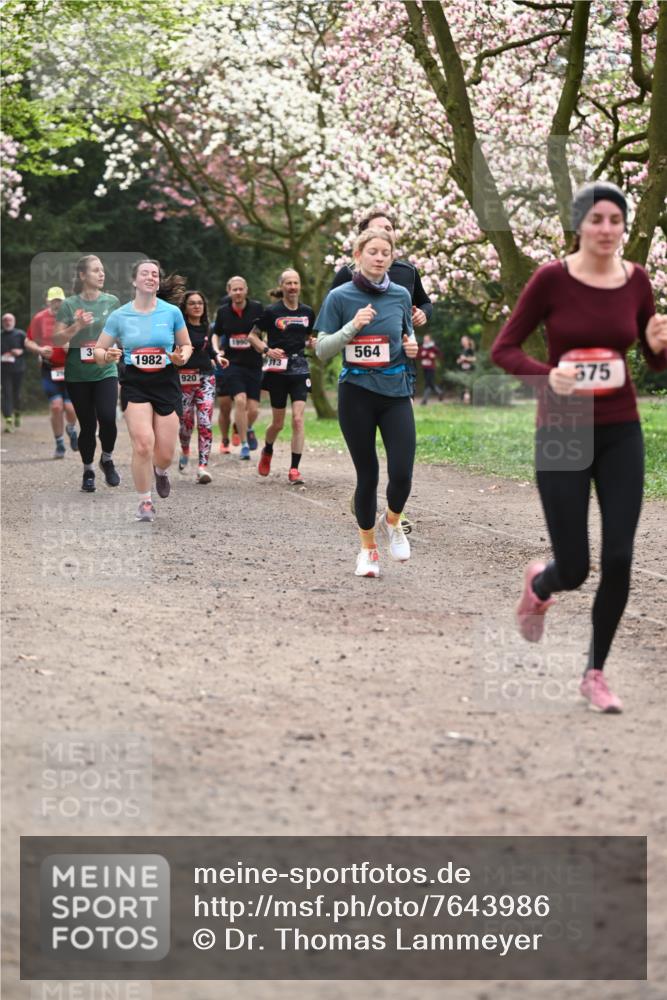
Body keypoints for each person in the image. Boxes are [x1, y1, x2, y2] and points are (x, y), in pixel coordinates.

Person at [491, 180, 667, 714]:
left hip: (620, 429)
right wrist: (549, 377)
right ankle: (541, 585)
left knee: (619, 557)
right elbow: (505, 349)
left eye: (616, 220)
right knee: (576, 566)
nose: (607, 230)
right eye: (597, 220)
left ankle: (594, 673)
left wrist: (659, 350)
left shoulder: (637, 280)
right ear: (579, 225)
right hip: (564, 428)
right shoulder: (551, 279)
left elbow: (654, 357)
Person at [315, 227, 419, 577]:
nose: (379, 257)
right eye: (372, 251)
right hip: (356, 394)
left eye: (385, 253)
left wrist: (411, 346)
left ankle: (392, 520)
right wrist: (351, 329)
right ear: (358, 256)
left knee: (402, 471)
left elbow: (406, 332)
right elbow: (321, 350)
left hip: (395, 394)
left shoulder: (402, 294)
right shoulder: (340, 297)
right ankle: (368, 550)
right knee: (369, 474)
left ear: (392, 257)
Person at [94, 260, 192, 522]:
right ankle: (144, 502)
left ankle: (160, 472)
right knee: (142, 445)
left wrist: (182, 356)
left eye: (155, 274)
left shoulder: (171, 312)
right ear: (134, 281)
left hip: (166, 383)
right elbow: (98, 350)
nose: (151, 277)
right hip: (135, 384)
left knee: (165, 454)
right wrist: (108, 355)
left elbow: (186, 345)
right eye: (145, 273)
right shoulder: (120, 316)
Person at [53, 255, 121, 492]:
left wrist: (116, 349)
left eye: (102, 270)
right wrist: (77, 327)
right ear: (83, 276)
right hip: (78, 374)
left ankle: (108, 459)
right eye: (95, 270)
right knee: (88, 426)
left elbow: (120, 333)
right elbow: (57, 338)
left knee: (108, 418)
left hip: (105, 370)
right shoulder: (69, 305)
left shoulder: (112, 301)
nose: (101, 274)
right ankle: (88, 470)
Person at [248, 269, 316, 484]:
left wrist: (313, 343)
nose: (293, 286)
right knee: (278, 423)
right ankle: (267, 449)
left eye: (296, 282)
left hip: (300, 368)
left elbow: (310, 337)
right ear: (282, 286)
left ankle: (294, 469)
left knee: (297, 419)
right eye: (288, 283)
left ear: (299, 286)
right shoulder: (272, 311)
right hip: (278, 370)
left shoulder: (307, 312)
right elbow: (252, 336)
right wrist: (267, 350)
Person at [330, 208, 432, 330]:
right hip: (357, 345)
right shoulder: (348, 272)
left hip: (401, 346)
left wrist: (423, 313)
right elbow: (330, 319)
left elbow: (425, 303)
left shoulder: (409, 271)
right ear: (364, 236)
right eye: (378, 229)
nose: (385, 232)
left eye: (388, 229)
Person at [177, 290, 227, 484]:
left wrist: (217, 358)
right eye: (192, 303)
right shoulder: (179, 328)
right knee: (186, 423)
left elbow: (211, 349)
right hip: (184, 379)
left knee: (205, 422)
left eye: (200, 303)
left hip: (206, 377)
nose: (197, 306)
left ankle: (202, 467)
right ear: (186, 308)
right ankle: (185, 449)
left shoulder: (207, 327)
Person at [212, 276, 263, 460]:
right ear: (229, 291)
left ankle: (243, 427)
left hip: (254, 364)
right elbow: (216, 334)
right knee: (239, 401)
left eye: (241, 289)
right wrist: (217, 351)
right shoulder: (223, 312)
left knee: (254, 410)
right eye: (235, 289)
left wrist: (266, 347)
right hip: (232, 364)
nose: (238, 292)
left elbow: (266, 329)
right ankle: (244, 445)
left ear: (246, 290)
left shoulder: (257, 308)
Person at [25, 287, 78, 457]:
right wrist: (39, 350)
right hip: (50, 369)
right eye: (54, 301)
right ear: (48, 301)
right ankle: (59, 444)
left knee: (70, 408)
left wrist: (70, 347)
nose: (57, 304)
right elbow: (28, 341)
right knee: (56, 407)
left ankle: (71, 428)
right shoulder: (39, 318)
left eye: (60, 301)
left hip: (70, 369)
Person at [1, 313, 26, 432]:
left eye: (9, 320)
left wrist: (20, 351)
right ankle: (8, 420)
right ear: (2, 322)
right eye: (5, 320)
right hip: (4, 370)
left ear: (14, 321)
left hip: (18, 369)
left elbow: (30, 348)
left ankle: (17, 413)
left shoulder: (20, 334)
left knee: (17, 394)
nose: (7, 322)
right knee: (6, 394)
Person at [419, 332, 444, 404]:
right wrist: (421, 355)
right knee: (429, 383)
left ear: (430, 340)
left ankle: (424, 400)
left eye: (427, 339)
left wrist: (434, 356)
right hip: (425, 367)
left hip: (431, 367)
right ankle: (440, 393)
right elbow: (417, 356)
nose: (425, 341)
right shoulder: (422, 347)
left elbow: (441, 355)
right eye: (424, 339)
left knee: (429, 383)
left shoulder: (433, 347)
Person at [456, 334, 476, 403]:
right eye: (462, 341)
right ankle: (464, 400)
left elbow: (474, 359)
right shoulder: (463, 350)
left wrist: (465, 358)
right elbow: (459, 360)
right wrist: (459, 360)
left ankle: (467, 400)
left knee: (467, 385)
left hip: (469, 369)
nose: (462, 342)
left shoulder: (470, 350)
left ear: (468, 341)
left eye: (464, 340)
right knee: (463, 385)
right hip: (463, 369)